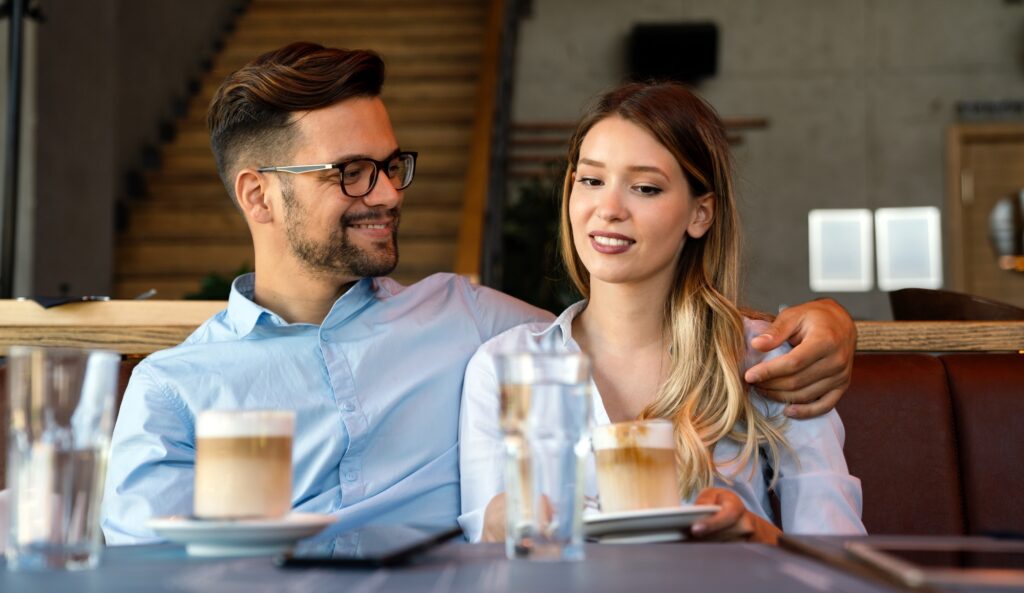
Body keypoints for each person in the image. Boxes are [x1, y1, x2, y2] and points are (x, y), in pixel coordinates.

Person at [101, 42, 856, 544]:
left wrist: (827, 323)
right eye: (353, 172)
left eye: (394, 165)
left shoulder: (466, 321)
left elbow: (625, 325)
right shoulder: (173, 390)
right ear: (258, 197)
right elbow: (141, 575)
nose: (389, 193)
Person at [459, 82, 866, 545]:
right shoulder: (501, 368)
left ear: (701, 214)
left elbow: (840, 555)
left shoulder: (768, 361)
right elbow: (487, 551)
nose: (608, 209)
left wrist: (756, 538)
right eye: (591, 180)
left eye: (646, 188)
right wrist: (497, 529)